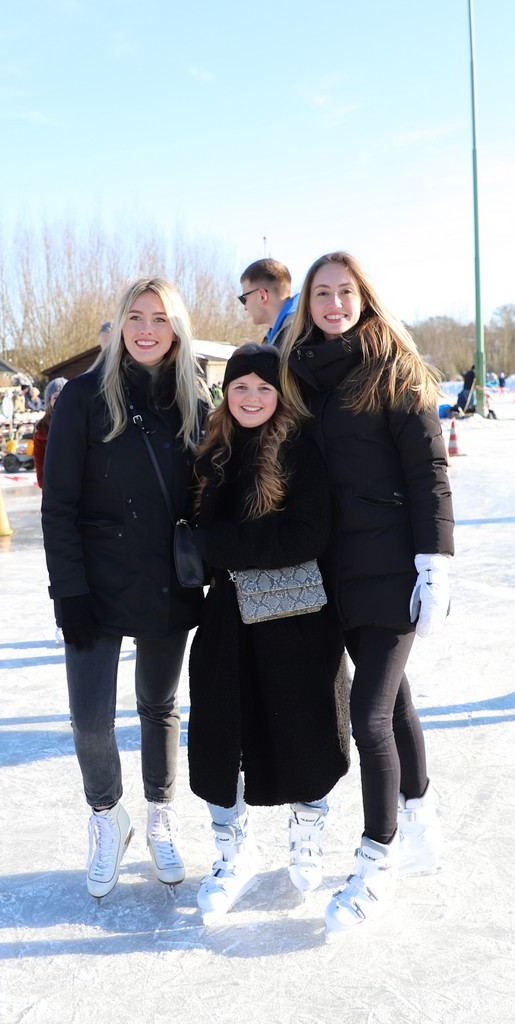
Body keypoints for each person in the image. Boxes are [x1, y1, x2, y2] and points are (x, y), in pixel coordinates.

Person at [280, 251, 452, 938]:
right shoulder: (297, 375)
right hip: (331, 572)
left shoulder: (395, 369)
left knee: (370, 716)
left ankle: (376, 861)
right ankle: (421, 818)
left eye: (345, 292)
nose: (334, 304)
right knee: (395, 701)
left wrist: (435, 563)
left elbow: (429, 472)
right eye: (322, 293)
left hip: (392, 568)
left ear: (364, 298)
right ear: (307, 304)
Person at [41, 275, 208, 899]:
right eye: (136, 316)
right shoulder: (84, 397)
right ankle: (108, 815)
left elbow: (208, 497)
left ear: (176, 330)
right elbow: (58, 504)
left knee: (159, 706)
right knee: (90, 719)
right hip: (95, 583)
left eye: (159, 319)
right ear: (118, 325)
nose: (146, 329)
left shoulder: (194, 400)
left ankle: (161, 812)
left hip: (166, 580)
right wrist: (70, 591)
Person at [187, 344, 349, 923]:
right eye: (240, 387)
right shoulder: (212, 452)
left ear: (281, 394)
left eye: (264, 387)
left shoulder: (301, 448)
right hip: (228, 621)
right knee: (219, 736)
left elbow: (307, 534)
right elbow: (195, 532)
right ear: (225, 393)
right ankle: (233, 851)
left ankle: (307, 835)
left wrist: (218, 546)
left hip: (296, 620)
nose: (251, 398)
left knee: (303, 729)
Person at [239, 258, 299, 347]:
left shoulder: (299, 337)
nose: (245, 307)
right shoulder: (282, 336)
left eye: (244, 299)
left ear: (262, 295)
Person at [31, 377, 67, 488]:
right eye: (55, 397)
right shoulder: (42, 430)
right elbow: (40, 463)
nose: (60, 401)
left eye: (64, 396)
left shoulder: (81, 423)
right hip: (54, 487)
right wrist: (46, 487)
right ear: (49, 402)